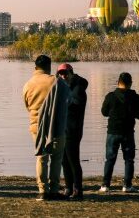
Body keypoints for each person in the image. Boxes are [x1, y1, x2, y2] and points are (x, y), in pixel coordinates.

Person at [23, 54, 70, 201]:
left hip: (36, 126)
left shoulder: (28, 84)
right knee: (56, 158)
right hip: (56, 126)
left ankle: (43, 190)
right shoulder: (57, 82)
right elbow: (67, 102)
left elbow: (27, 105)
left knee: (41, 158)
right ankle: (54, 190)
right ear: (49, 67)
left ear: (35, 67)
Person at [99, 72, 139, 193]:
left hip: (112, 131)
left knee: (110, 159)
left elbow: (104, 112)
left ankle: (105, 185)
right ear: (130, 83)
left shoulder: (110, 96)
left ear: (118, 82)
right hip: (128, 132)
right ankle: (127, 185)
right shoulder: (136, 98)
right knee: (129, 159)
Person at [57, 63, 88, 199]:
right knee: (64, 160)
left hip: (73, 130)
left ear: (71, 73)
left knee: (73, 160)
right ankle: (68, 188)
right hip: (63, 129)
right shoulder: (65, 87)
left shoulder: (78, 88)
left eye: (66, 73)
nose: (63, 76)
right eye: (61, 74)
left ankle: (78, 190)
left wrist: (62, 102)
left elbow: (77, 104)